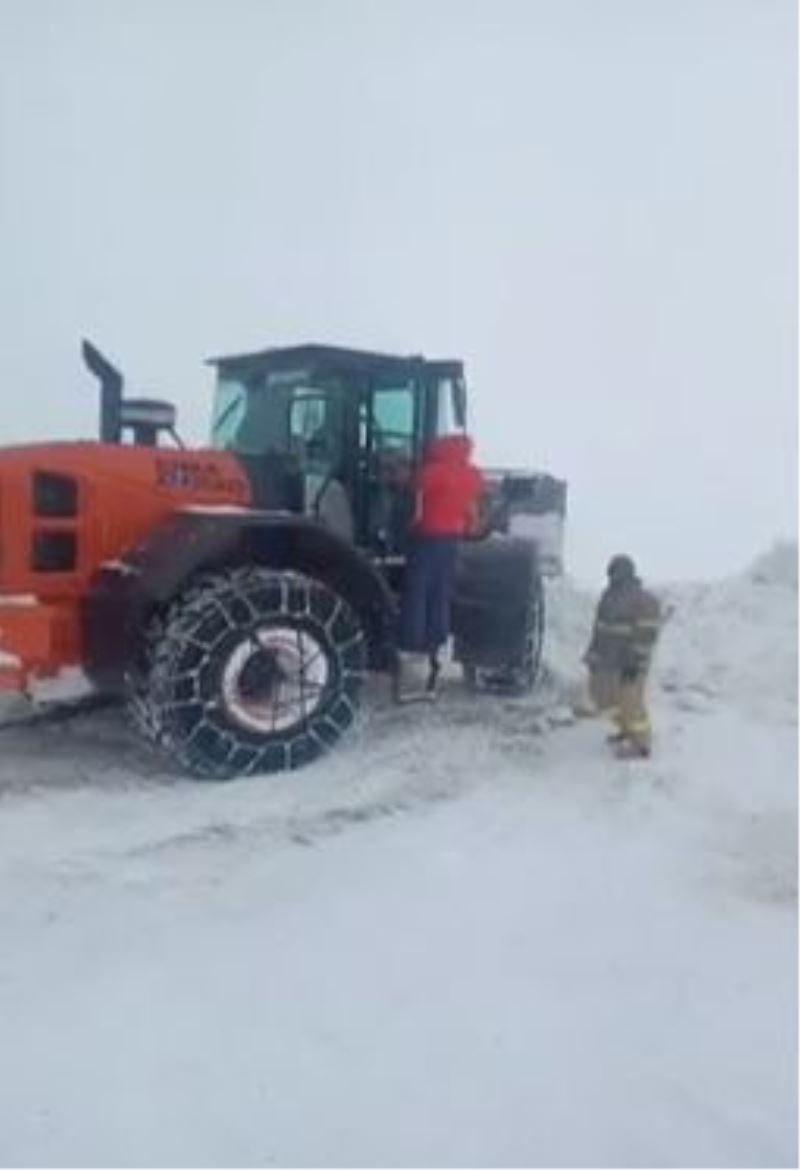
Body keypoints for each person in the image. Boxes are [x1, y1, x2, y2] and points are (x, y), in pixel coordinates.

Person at [395, 434, 484, 700]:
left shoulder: (430, 473)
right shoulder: (472, 475)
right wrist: (470, 526)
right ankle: (437, 638)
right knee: (441, 591)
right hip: (452, 539)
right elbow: (473, 510)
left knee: (417, 590)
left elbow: (414, 501)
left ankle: (411, 640)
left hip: (426, 538)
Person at [583, 554, 662, 758]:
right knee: (602, 697)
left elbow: (646, 634)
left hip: (630, 662)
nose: (612, 577)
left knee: (631, 701)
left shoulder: (644, 600)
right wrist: (592, 654)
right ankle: (626, 729)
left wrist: (634, 662)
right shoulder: (608, 596)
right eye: (611, 573)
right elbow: (599, 629)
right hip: (608, 660)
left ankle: (641, 744)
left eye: (616, 572)